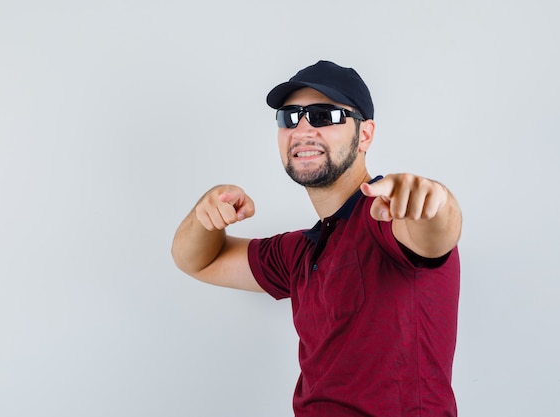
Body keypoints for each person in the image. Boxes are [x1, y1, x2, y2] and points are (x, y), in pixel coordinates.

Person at [171, 60, 462, 417]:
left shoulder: (387, 218)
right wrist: (206, 212)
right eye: (289, 117)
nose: (303, 129)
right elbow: (197, 260)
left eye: (325, 115)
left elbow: (435, 235)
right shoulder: (301, 250)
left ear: (365, 134)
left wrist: (436, 201)